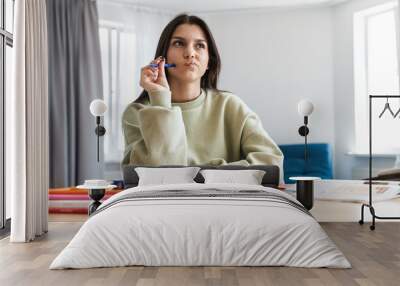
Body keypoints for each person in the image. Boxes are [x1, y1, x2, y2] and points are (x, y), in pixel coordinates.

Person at [122, 14, 284, 183]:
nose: (190, 53)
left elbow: (272, 163)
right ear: (163, 57)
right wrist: (160, 99)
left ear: (209, 62)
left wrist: (206, 172)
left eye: (199, 45)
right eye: (179, 43)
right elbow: (153, 180)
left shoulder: (231, 106)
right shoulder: (136, 113)